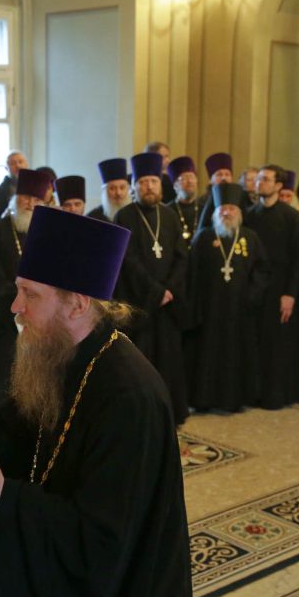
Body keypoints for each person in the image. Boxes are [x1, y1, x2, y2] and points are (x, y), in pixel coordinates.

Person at [0, 206, 194, 597]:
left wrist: (4, 499)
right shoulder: (56, 356)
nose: (15, 307)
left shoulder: (130, 398)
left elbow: (103, 542)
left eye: (30, 294)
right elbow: (11, 441)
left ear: (77, 304)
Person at [113, 152, 190, 425]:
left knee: (169, 360)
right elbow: (128, 261)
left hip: (167, 305)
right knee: (142, 362)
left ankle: (171, 411)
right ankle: (142, 415)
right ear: (135, 186)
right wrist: (156, 291)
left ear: (160, 184)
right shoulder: (124, 216)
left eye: (153, 181)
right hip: (140, 305)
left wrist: (169, 290)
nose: (149, 186)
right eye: (143, 182)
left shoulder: (170, 215)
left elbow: (182, 257)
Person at [187, 183, 270, 411]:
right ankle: (205, 399)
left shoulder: (250, 238)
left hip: (240, 309)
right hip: (210, 308)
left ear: (239, 213)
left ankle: (236, 399)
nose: (227, 212)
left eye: (232, 208)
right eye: (222, 208)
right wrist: (196, 305)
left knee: (237, 352)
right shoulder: (203, 238)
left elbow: (262, 270)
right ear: (215, 212)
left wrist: (252, 295)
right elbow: (192, 273)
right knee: (209, 353)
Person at [0, 168, 53, 420]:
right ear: (15, 198)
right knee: (2, 381)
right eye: (26, 197)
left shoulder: (46, 233)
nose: (30, 203)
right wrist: (24, 301)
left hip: (39, 323)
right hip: (4, 320)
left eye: (36, 199)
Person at [245, 164, 299, 409]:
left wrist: (290, 294)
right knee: (255, 339)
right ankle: (254, 392)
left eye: (266, 179)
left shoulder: (292, 217)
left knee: (278, 343)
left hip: (281, 287)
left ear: (279, 185)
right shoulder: (249, 214)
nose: (260, 183)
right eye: (259, 178)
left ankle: (277, 394)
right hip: (255, 287)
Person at [197, 152, 248, 230]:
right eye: (219, 174)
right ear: (210, 180)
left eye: (227, 174)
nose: (224, 178)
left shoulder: (240, 198)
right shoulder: (202, 202)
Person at [166, 155, 203, 245]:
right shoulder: (167, 211)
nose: (189, 181)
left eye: (192, 177)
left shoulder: (204, 209)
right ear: (175, 185)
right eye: (184, 178)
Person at [0, 151, 29, 222]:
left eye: (20, 162)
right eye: (12, 163)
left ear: (26, 165)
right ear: (6, 168)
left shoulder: (36, 188)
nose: (18, 166)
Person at [87, 157, 131, 222]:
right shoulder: (92, 218)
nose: (118, 193)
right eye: (112, 188)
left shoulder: (135, 214)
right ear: (105, 191)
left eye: (122, 188)